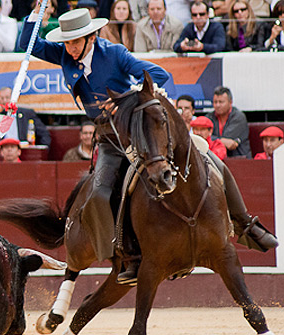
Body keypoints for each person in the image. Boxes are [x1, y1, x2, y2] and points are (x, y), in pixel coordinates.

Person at [20, 6, 170, 283]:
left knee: (159, 180)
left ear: (91, 37)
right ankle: (122, 257)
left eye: (76, 41)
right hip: (109, 139)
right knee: (100, 194)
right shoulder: (64, 53)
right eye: (67, 41)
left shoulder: (114, 53)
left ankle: (242, 223)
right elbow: (27, 46)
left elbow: (158, 76)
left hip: (134, 131)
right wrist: (36, 16)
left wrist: (125, 100)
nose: (71, 48)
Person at [206, 86, 251, 158]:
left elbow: (227, 139)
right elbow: (202, 137)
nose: (217, 105)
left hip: (240, 159)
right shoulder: (209, 117)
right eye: (215, 102)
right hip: (217, 160)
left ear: (230, 102)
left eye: (221, 102)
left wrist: (213, 139)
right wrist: (223, 140)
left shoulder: (239, 117)